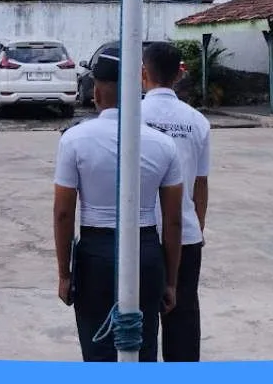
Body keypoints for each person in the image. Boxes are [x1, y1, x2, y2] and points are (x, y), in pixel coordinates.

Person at [52, 49, 184, 363]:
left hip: (96, 255)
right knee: (142, 345)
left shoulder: (74, 140)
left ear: (96, 92)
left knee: (97, 351)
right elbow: (174, 220)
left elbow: (63, 213)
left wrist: (64, 274)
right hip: (147, 252)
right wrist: (170, 280)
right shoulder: (163, 144)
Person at [140, 42, 211, 363]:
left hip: (142, 234)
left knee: (137, 317)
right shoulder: (197, 121)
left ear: (144, 73)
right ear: (179, 74)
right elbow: (201, 184)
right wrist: (196, 226)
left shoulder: (131, 118)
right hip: (185, 235)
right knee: (182, 317)